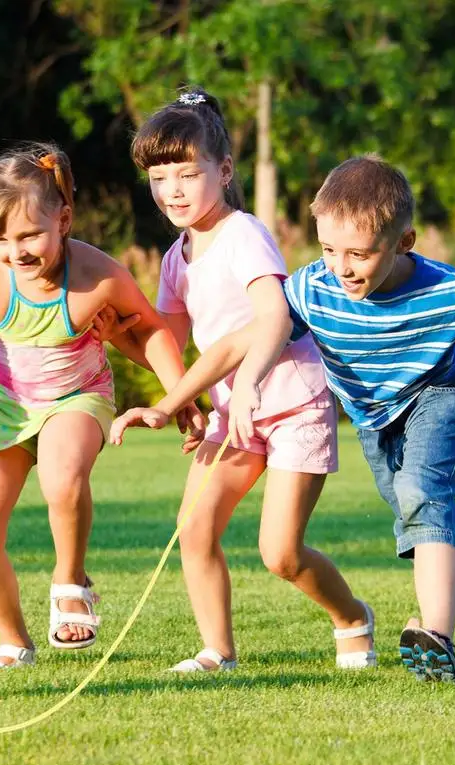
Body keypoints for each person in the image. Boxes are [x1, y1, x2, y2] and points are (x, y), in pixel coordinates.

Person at [113, 153, 455, 683]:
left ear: (403, 243)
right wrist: (168, 403)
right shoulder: (315, 288)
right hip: (374, 417)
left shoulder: (443, 290)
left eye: (358, 254)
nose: (341, 268)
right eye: (329, 250)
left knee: (422, 498)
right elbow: (234, 346)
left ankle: (436, 637)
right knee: (425, 518)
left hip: (440, 394)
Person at [0, 143, 200, 668]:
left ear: (63, 219)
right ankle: (14, 640)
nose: (17, 252)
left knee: (61, 477)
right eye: (1, 239)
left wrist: (181, 398)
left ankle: (69, 581)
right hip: (4, 408)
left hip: (77, 399)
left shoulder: (96, 275)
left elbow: (151, 331)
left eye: (30, 234)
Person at [109, 89, 376, 673]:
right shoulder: (177, 256)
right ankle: (217, 651)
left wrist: (247, 381)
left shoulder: (243, 234)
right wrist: (113, 338)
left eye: (187, 173)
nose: (173, 190)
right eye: (159, 177)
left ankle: (352, 616)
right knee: (194, 527)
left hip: (291, 402)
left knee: (279, 553)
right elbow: (168, 347)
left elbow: (274, 316)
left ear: (224, 171)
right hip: (235, 413)